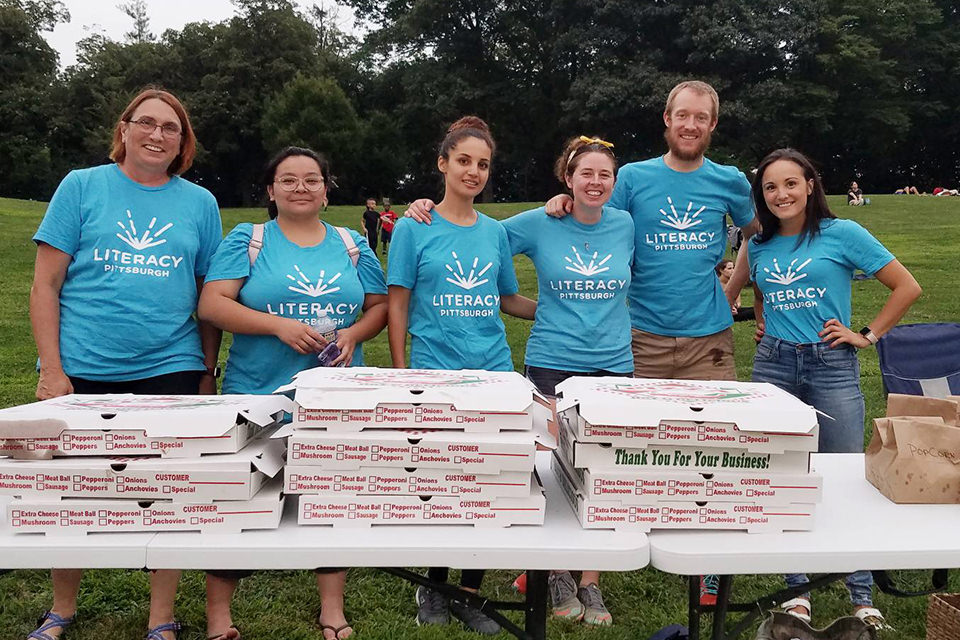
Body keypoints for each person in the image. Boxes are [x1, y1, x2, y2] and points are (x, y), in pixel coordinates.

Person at [28, 88, 223, 640]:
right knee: (72, 488)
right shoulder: (82, 186)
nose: (158, 135)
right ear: (124, 129)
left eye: (171, 129)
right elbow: (45, 283)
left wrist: (207, 369)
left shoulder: (200, 203)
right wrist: (51, 369)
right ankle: (61, 608)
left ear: (183, 143)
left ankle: (161, 617)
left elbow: (208, 294)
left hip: (171, 363)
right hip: (83, 365)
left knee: (168, 487)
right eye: (148, 123)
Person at [198, 146, 388, 640]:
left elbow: (378, 307)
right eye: (288, 180)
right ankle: (220, 619)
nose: (300, 187)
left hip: (332, 398)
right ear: (270, 189)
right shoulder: (249, 239)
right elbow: (213, 304)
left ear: (327, 189)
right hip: (256, 392)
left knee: (330, 498)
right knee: (237, 500)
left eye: (311, 179)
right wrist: (277, 327)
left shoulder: (351, 243)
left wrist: (353, 335)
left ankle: (331, 609)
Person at [727, 148, 921, 630]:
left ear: (810, 185)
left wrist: (866, 335)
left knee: (845, 475)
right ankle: (798, 592)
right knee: (781, 472)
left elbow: (906, 286)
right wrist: (764, 315)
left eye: (791, 183)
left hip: (831, 362)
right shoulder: (759, 244)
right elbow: (741, 294)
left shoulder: (842, 234)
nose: (781, 194)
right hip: (773, 365)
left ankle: (860, 593)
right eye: (770, 187)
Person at [387, 115, 536, 635]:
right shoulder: (414, 227)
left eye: (483, 164)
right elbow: (398, 303)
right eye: (464, 161)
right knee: (442, 478)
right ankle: (435, 585)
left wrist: (563, 307)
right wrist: (402, 370)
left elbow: (507, 298)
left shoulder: (494, 232)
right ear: (443, 164)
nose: (474, 172)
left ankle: (469, 592)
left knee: (490, 478)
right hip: (435, 371)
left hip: (492, 371)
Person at [501, 135, 634, 626]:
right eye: (586, 174)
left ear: (613, 183)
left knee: (604, 468)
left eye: (605, 175)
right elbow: (478, 237)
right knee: (553, 465)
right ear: (568, 179)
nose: (595, 182)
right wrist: (426, 209)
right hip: (553, 359)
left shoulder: (625, 225)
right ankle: (557, 571)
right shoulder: (541, 221)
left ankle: (591, 581)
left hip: (614, 364)